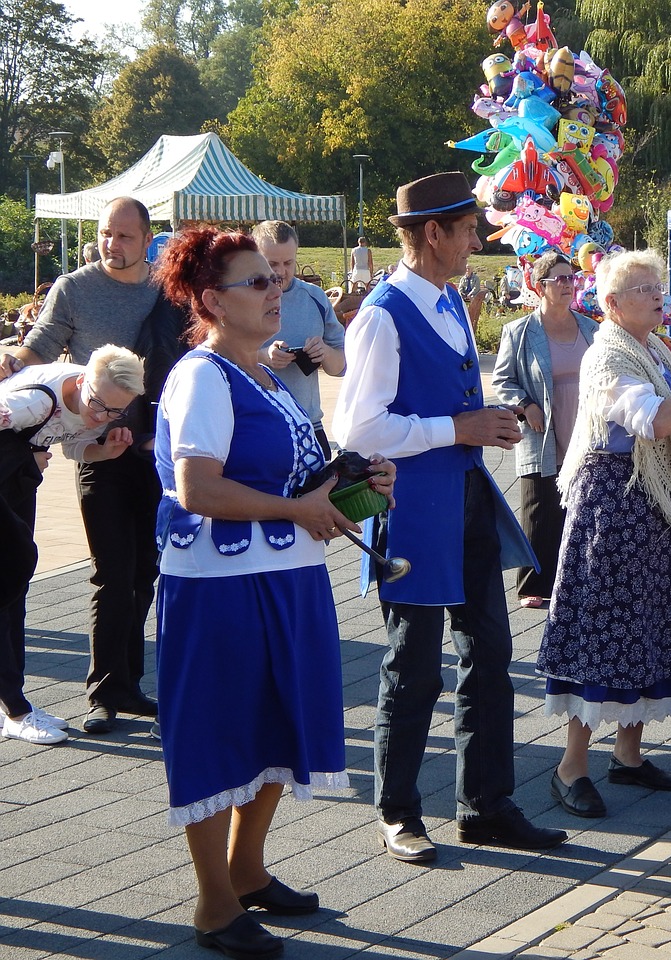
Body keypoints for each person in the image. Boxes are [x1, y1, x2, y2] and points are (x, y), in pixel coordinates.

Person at [152, 226, 395, 958]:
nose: (275, 292)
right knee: (218, 732)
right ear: (209, 301)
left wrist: (353, 491)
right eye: (257, 282)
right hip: (219, 588)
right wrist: (300, 508)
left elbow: (293, 491)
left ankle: (249, 870)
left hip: (283, 574)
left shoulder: (261, 374)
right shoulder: (203, 375)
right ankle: (213, 903)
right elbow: (197, 488)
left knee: (278, 724)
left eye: (276, 279)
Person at [333, 171, 567, 859]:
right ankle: (398, 811)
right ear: (432, 234)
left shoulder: (447, 301)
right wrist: (456, 428)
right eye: (467, 231)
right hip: (410, 510)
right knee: (414, 668)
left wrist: (489, 420)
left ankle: (486, 804)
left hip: (462, 500)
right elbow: (361, 433)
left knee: (490, 655)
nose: (475, 242)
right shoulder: (382, 314)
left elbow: (453, 403)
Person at [537, 250, 671, 819]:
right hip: (612, 510)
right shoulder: (607, 357)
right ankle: (571, 766)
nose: (656, 296)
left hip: (650, 502)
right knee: (604, 629)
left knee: (647, 625)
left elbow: (665, 420)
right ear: (613, 304)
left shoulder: (650, 348)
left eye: (657, 286)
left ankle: (628, 753)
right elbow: (650, 420)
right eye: (643, 289)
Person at [8, 196, 188, 735]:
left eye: (125, 236)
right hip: (97, 452)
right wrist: (10, 364)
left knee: (143, 574)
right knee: (111, 573)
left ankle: (130, 685)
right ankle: (105, 692)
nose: (112, 244)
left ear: (146, 238)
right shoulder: (74, 288)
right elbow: (40, 348)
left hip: (154, 451)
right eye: (107, 233)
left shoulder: (166, 291)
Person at [0, 346, 144, 746]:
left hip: (16, 488)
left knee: (16, 587)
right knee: (7, 584)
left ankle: (14, 703)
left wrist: (104, 449)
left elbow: (72, 444)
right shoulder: (32, 401)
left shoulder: (104, 400)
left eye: (116, 412)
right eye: (98, 405)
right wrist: (28, 456)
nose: (102, 417)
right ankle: (15, 709)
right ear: (81, 379)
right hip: (10, 482)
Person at [491, 251, 597, 609]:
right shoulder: (519, 332)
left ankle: (577, 577)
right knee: (540, 507)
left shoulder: (591, 328)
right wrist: (526, 404)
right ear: (540, 286)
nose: (569, 285)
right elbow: (502, 380)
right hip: (543, 428)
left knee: (581, 505)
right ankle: (533, 583)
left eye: (572, 278)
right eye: (560, 279)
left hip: (586, 427)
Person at [252, 221, 347, 457]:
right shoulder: (242, 298)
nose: (281, 272)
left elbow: (342, 366)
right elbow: (220, 356)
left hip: (309, 427)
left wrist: (324, 351)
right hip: (258, 428)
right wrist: (264, 357)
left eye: (288, 263)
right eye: (272, 263)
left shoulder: (314, 298)